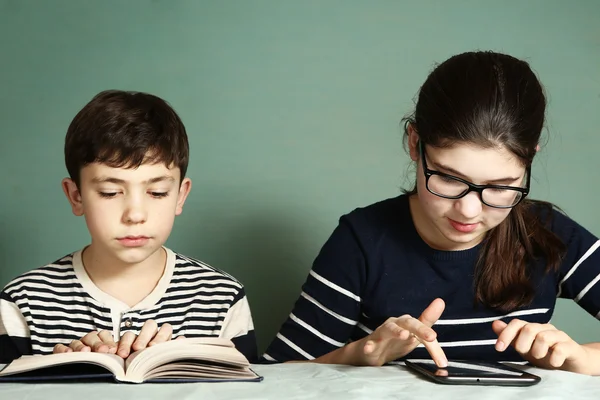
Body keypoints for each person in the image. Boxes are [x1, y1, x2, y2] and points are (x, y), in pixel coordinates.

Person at [262, 51, 600, 375]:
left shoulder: (549, 232)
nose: (469, 211)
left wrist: (582, 359)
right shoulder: (362, 240)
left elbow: (582, 361)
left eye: (501, 186)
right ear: (414, 143)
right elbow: (275, 375)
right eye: (449, 178)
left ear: (529, 160)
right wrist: (359, 354)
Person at [0, 90, 257, 364]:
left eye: (157, 192)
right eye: (110, 192)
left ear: (180, 196)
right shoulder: (24, 301)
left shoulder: (221, 296)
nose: (135, 215)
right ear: (76, 196)